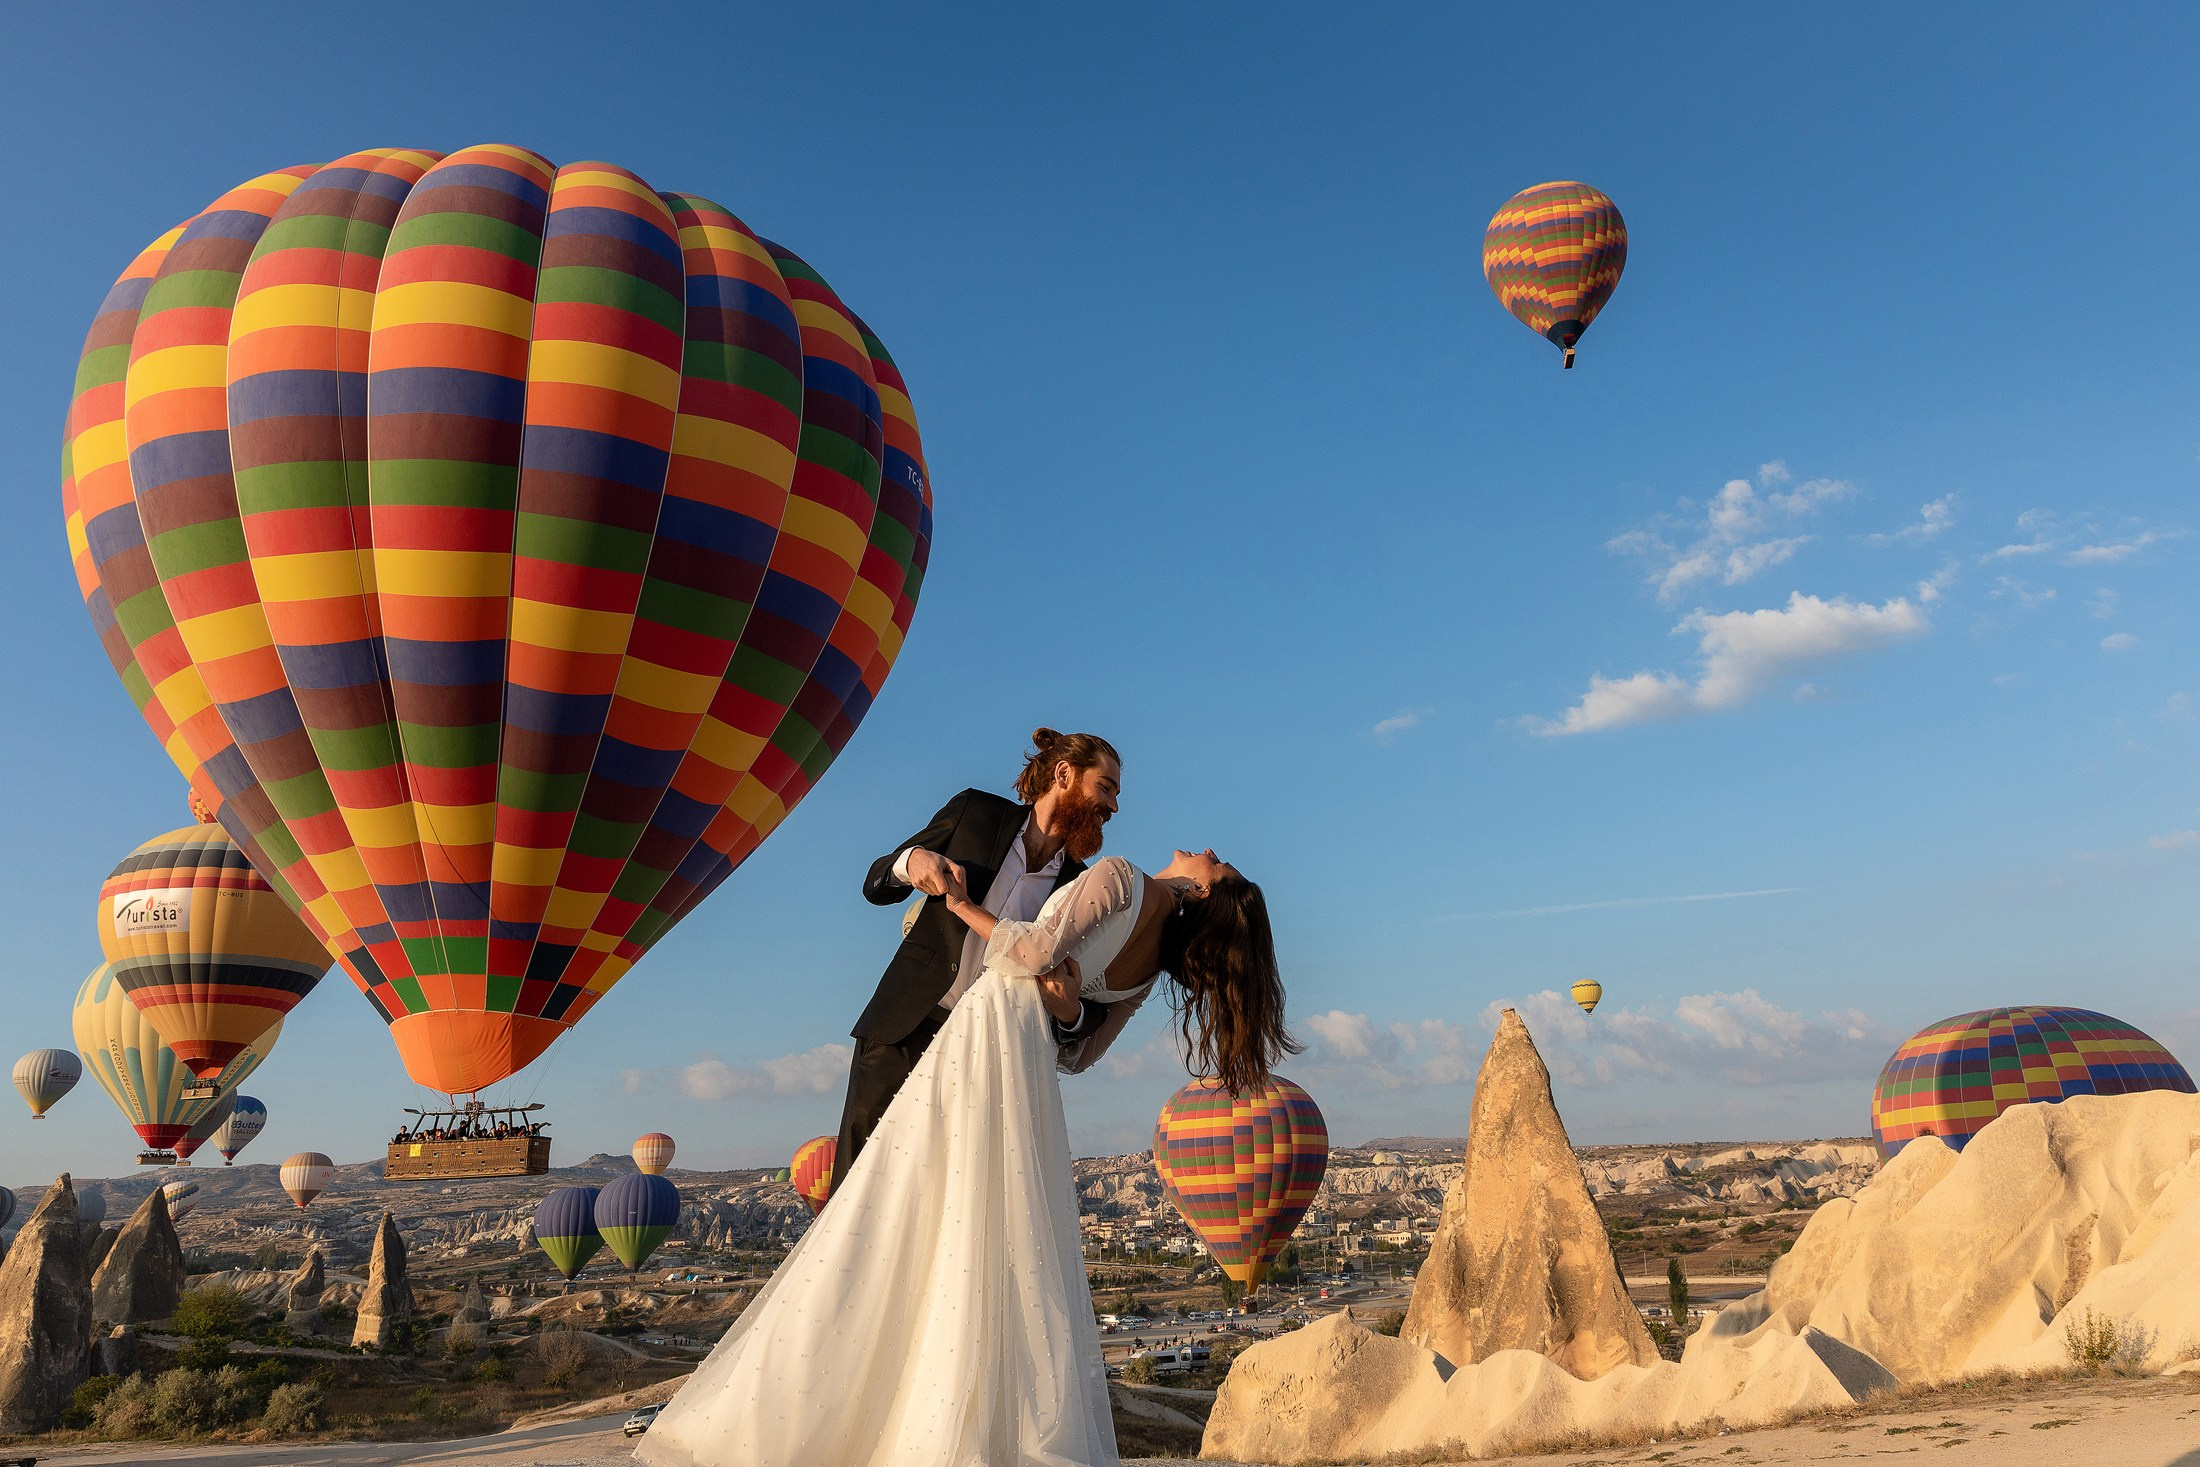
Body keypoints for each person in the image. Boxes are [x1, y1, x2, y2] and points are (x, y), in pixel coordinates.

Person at [637, 846, 1296, 1467]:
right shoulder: (1152, 962)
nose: (1207, 848)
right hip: (1029, 1060)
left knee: (907, 1202)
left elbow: (1029, 950)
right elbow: (1080, 1052)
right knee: (989, 1227)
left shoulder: (1123, 875)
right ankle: (967, 1415)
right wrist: (1065, 1012)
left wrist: (957, 903)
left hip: (989, 1031)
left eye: (1219, 860)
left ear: (1209, 890)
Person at [829, 729, 1123, 1190]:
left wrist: (1070, 1013)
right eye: (1105, 787)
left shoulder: (1082, 887)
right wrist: (912, 861)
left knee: (937, 1199)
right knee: (856, 1185)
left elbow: (1093, 1004)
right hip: (903, 1027)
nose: (1113, 807)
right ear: (1064, 774)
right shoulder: (975, 813)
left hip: (986, 1056)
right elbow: (874, 883)